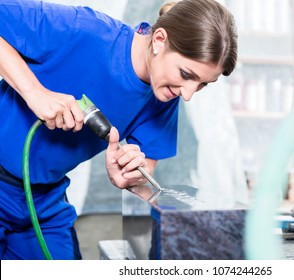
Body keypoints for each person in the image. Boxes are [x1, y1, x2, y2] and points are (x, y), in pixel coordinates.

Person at [0, 0, 237, 259]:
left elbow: (144, 174)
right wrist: (34, 92)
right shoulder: (83, 29)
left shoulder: (165, 98)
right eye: (186, 74)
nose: (189, 94)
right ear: (159, 40)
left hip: (44, 199)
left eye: (203, 84)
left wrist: (130, 175)